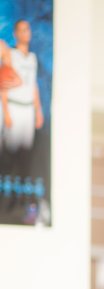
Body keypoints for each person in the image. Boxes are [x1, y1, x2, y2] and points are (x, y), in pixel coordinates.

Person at [1, 20, 44, 176]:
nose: (26, 33)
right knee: (10, 149)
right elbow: (4, 85)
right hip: (14, 106)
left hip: (28, 109)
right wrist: (6, 111)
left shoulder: (32, 57)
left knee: (25, 152)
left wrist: (38, 111)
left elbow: (33, 85)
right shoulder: (10, 55)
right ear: (15, 33)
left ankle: (21, 186)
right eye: (22, 30)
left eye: (28, 30)